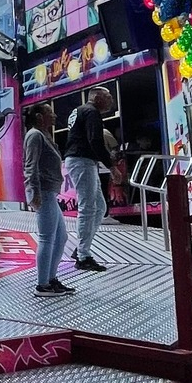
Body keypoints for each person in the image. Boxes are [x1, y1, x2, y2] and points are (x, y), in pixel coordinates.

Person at [64, 86, 114, 272]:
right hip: (82, 160)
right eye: (108, 96)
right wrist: (111, 166)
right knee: (87, 208)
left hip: (82, 161)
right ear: (98, 97)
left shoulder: (79, 111)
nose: (111, 100)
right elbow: (95, 140)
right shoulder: (92, 112)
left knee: (99, 207)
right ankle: (83, 256)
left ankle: (82, 248)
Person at [24, 103, 72, 295]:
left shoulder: (43, 135)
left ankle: (51, 279)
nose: (54, 116)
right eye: (49, 113)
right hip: (43, 192)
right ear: (39, 117)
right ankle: (42, 284)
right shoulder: (35, 135)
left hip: (49, 192)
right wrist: (34, 192)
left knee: (60, 237)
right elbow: (31, 165)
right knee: (47, 238)